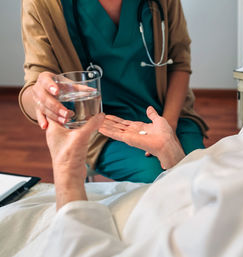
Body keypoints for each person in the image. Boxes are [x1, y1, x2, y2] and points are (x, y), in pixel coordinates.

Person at [2, 0, 243, 256]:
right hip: (109, 213)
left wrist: (68, 169)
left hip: (77, 231)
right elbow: (195, 195)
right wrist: (172, 154)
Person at [19, 0, 208, 183]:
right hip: (104, 130)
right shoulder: (42, 3)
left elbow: (179, 61)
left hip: (170, 113)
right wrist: (40, 98)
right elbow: (35, 85)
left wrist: (169, 128)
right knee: (159, 176)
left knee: (197, 172)